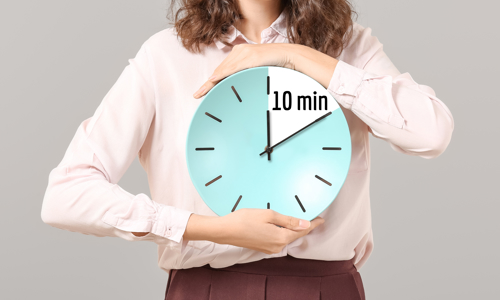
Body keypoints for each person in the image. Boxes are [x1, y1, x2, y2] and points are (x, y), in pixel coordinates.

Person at [41, 0, 454, 299]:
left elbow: (431, 132)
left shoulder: (347, 46)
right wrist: (204, 228)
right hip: (207, 288)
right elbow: (65, 196)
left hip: (328, 288)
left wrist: (295, 56)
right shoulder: (165, 56)